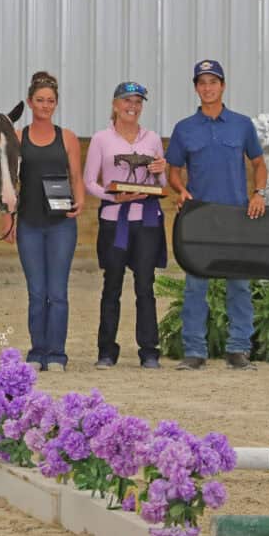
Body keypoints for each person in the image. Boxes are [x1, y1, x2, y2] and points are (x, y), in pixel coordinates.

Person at [166, 60, 268, 371]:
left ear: (223, 86)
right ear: (196, 88)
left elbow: (259, 164)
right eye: (202, 82)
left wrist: (258, 193)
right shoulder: (184, 129)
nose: (208, 88)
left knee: (239, 285)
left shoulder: (241, 124)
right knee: (196, 286)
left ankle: (238, 350)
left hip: (237, 218)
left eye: (213, 82)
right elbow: (173, 171)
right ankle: (195, 352)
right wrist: (180, 189)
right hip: (200, 219)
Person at [2, 71, 85, 371]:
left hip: (62, 224)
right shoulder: (19, 138)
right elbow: (10, 182)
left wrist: (81, 200)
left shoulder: (68, 138)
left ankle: (57, 354)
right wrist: (8, 218)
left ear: (56, 104)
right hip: (29, 225)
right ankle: (38, 351)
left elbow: (76, 176)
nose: (45, 105)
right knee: (37, 293)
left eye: (50, 101)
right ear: (30, 102)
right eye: (40, 100)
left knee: (58, 293)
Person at [83, 81, 167, 370]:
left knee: (145, 286)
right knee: (112, 286)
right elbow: (89, 182)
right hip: (113, 221)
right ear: (115, 104)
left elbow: (162, 184)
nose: (133, 106)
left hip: (145, 222)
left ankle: (149, 350)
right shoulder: (101, 139)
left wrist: (160, 172)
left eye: (138, 102)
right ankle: (107, 350)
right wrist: (113, 196)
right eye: (127, 101)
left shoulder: (153, 139)